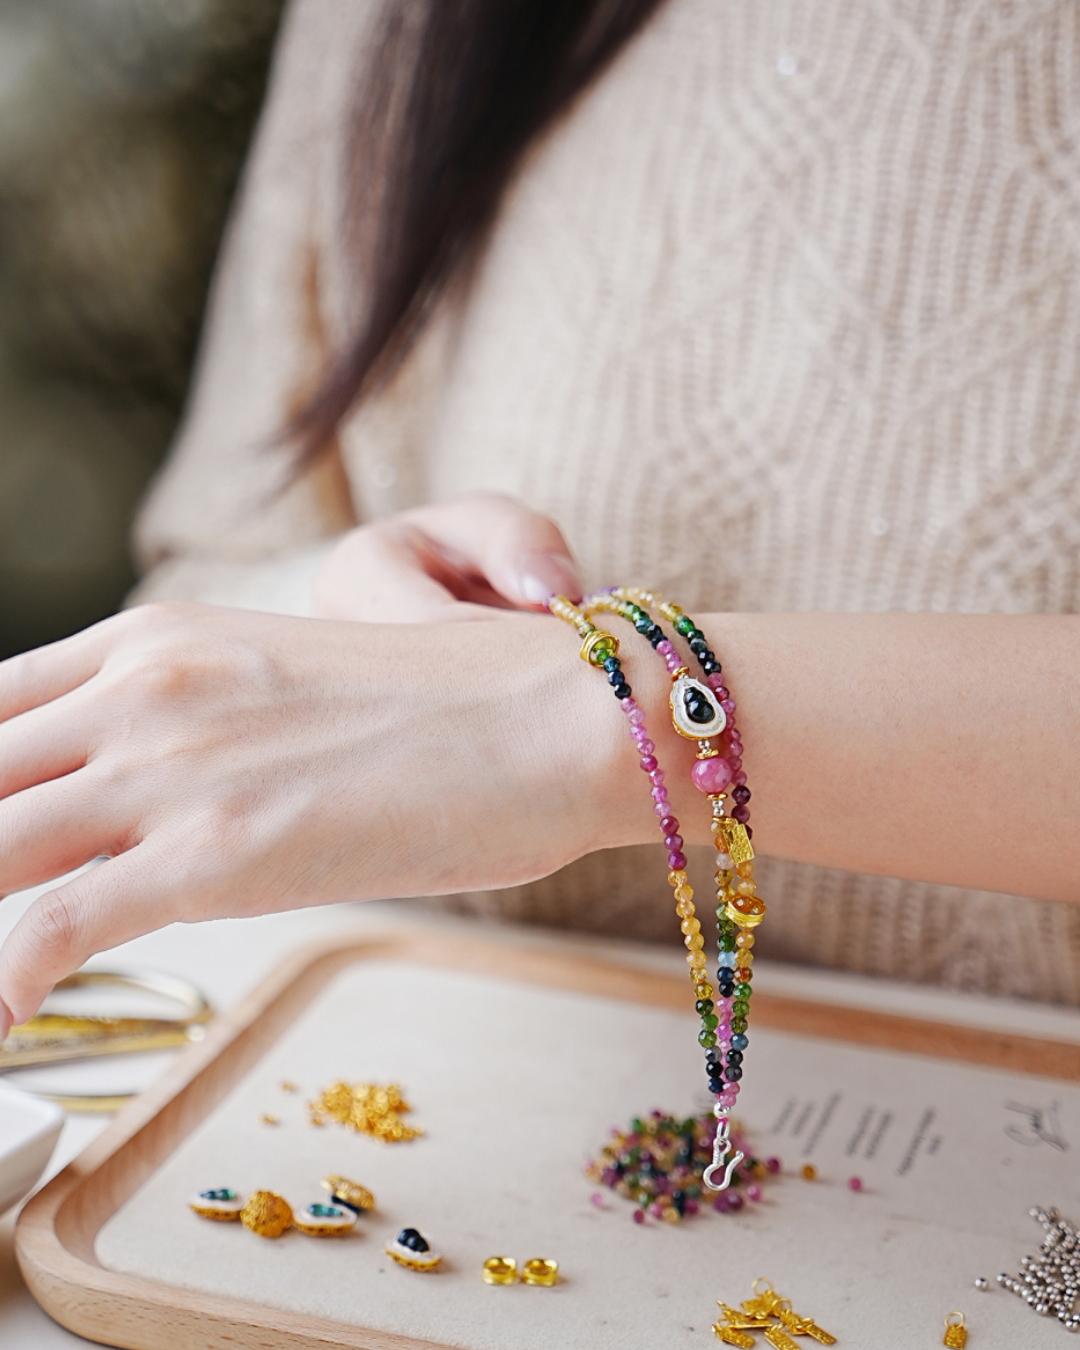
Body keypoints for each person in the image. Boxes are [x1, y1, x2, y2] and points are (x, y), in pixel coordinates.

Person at [1, 0, 1079, 1039]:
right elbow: (221, 567)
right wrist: (349, 612)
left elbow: (530, 715)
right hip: (441, 1113)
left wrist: (592, 719)